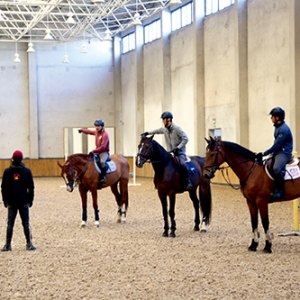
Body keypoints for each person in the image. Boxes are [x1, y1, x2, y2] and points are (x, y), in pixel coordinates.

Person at [141, 111, 193, 190]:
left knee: (182, 164)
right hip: (170, 152)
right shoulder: (164, 129)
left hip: (179, 152)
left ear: (169, 119)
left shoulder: (177, 129)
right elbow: (156, 131)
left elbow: (186, 139)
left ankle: (187, 181)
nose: (163, 121)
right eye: (162, 119)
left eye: (164, 119)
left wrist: (178, 147)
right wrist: (147, 133)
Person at [1, 150, 36, 251]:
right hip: (23, 201)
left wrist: (5, 200)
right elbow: (31, 188)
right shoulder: (27, 171)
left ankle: (7, 245)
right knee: (26, 223)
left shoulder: (7, 172)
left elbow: (3, 188)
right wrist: (30, 200)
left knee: (10, 223)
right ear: (22, 159)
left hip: (11, 202)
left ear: (12, 158)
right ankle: (29, 244)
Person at [257, 107, 293, 199]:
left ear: (277, 117)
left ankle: (281, 191)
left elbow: (277, 145)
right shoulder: (278, 127)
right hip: (278, 152)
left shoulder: (284, 129)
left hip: (284, 153)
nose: (271, 118)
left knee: (276, 168)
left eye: (272, 116)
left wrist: (265, 152)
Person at [79, 119, 110, 184]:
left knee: (102, 162)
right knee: (89, 162)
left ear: (102, 126)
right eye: (96, 126)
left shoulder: (105, 135)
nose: (96, 127)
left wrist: (93, 151)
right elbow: (89, 131)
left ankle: (104, 176)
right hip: (97, 151)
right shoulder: (96, 132)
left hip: (104, 152)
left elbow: (103, 147)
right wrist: (81, 130)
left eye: (98, 126)